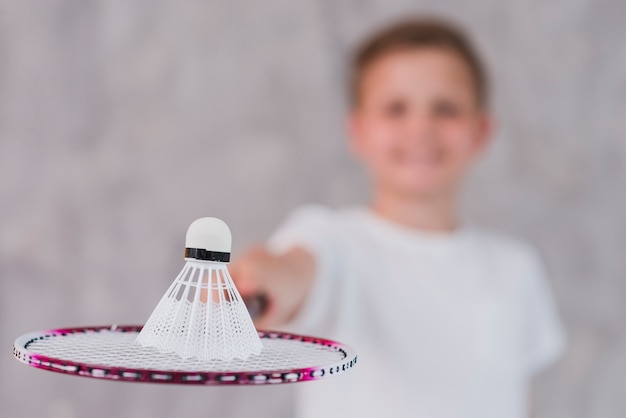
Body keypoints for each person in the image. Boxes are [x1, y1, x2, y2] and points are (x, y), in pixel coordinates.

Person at [230, 17, 565, 418]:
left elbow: (517, 399)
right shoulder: (334, 242)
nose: (421, 128)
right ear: (358, 132)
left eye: (446, 108)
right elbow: (288, 272)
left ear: (482, 131)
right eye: (395, 109)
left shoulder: (516, 267)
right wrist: (254, 282)